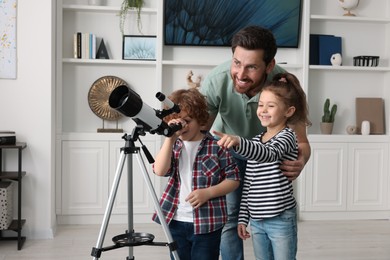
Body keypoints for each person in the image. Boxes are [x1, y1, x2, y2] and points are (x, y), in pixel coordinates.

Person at [199, 25, 311, 259]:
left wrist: (300, 161)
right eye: (237, 62)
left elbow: (301, 144)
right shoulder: (216, 81)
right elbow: (200, 135)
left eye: (251, 67)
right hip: (228, 151)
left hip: (269, 154)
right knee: (230, 220)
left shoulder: (284, 87)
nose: (240, 74)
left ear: (269, 66)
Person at [214, 72, 311, 260]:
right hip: (257, 222)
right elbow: (248, 184)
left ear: (288, 111)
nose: (263, 110)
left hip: (281, 219)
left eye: (271, 106)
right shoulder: (257, 140)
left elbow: (269, 153)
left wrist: (238, 141)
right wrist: (243, 218)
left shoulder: (287, 136)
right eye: (260, 105)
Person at [152, 88, 241, 260]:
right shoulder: (173, 145)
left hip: (208, 222)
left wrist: (208, 193)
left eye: (187, 120)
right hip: (176, 220)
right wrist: (169, 138)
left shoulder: (217, 147)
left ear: (201, 121)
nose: (182, 126)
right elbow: (159, 170)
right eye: (177, 121)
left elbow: (234, 179)